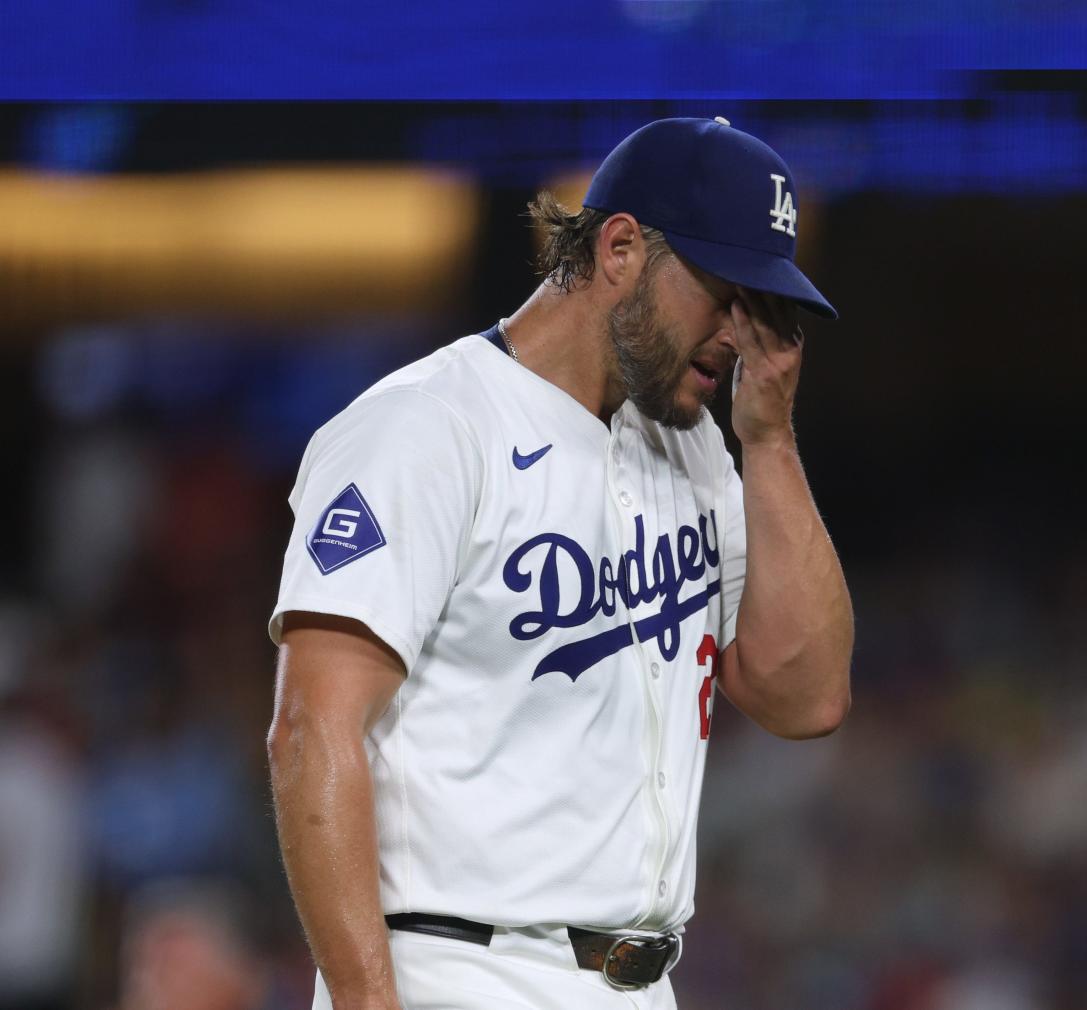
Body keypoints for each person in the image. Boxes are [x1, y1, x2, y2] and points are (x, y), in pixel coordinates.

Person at [266, 116, 854, 1010]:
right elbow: (312, 729)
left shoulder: (692, 444)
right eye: (725, 292)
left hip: (641, 982)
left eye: (763, 305)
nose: (744, 333)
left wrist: (767, 441)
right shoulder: (429, 428)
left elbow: (805, 697)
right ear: (620, 248)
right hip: (458, 969)